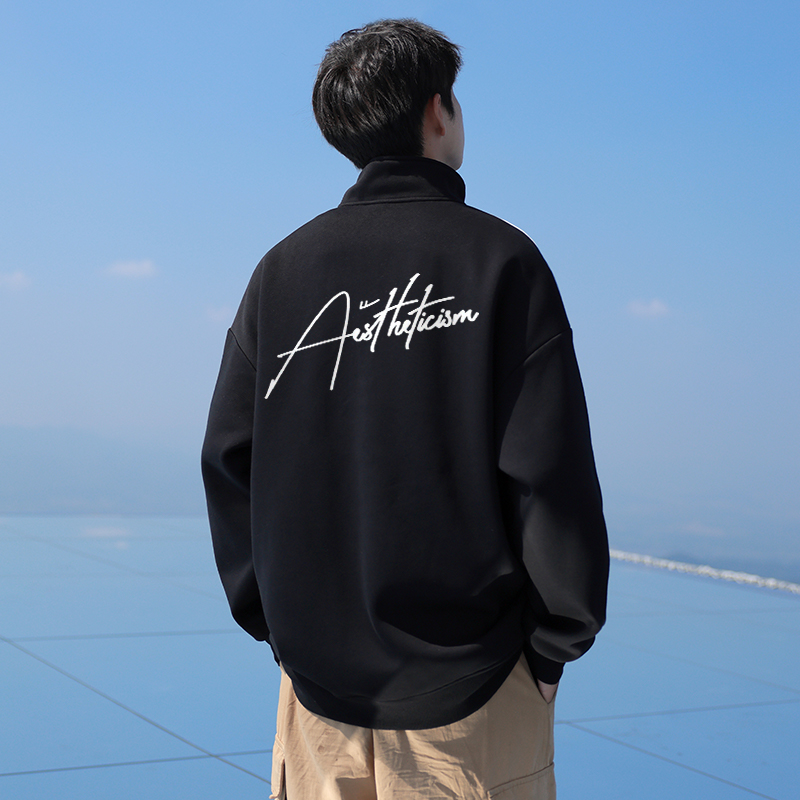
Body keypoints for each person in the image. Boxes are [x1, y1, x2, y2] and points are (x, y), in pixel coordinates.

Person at [202, 18, 609, 800]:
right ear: (436, 111)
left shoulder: (281, 273)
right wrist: (556, 643)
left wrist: (278, 628)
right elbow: (549, 474)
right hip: (476, 698)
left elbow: (229, 461)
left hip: (315, 700)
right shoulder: (501, 262)